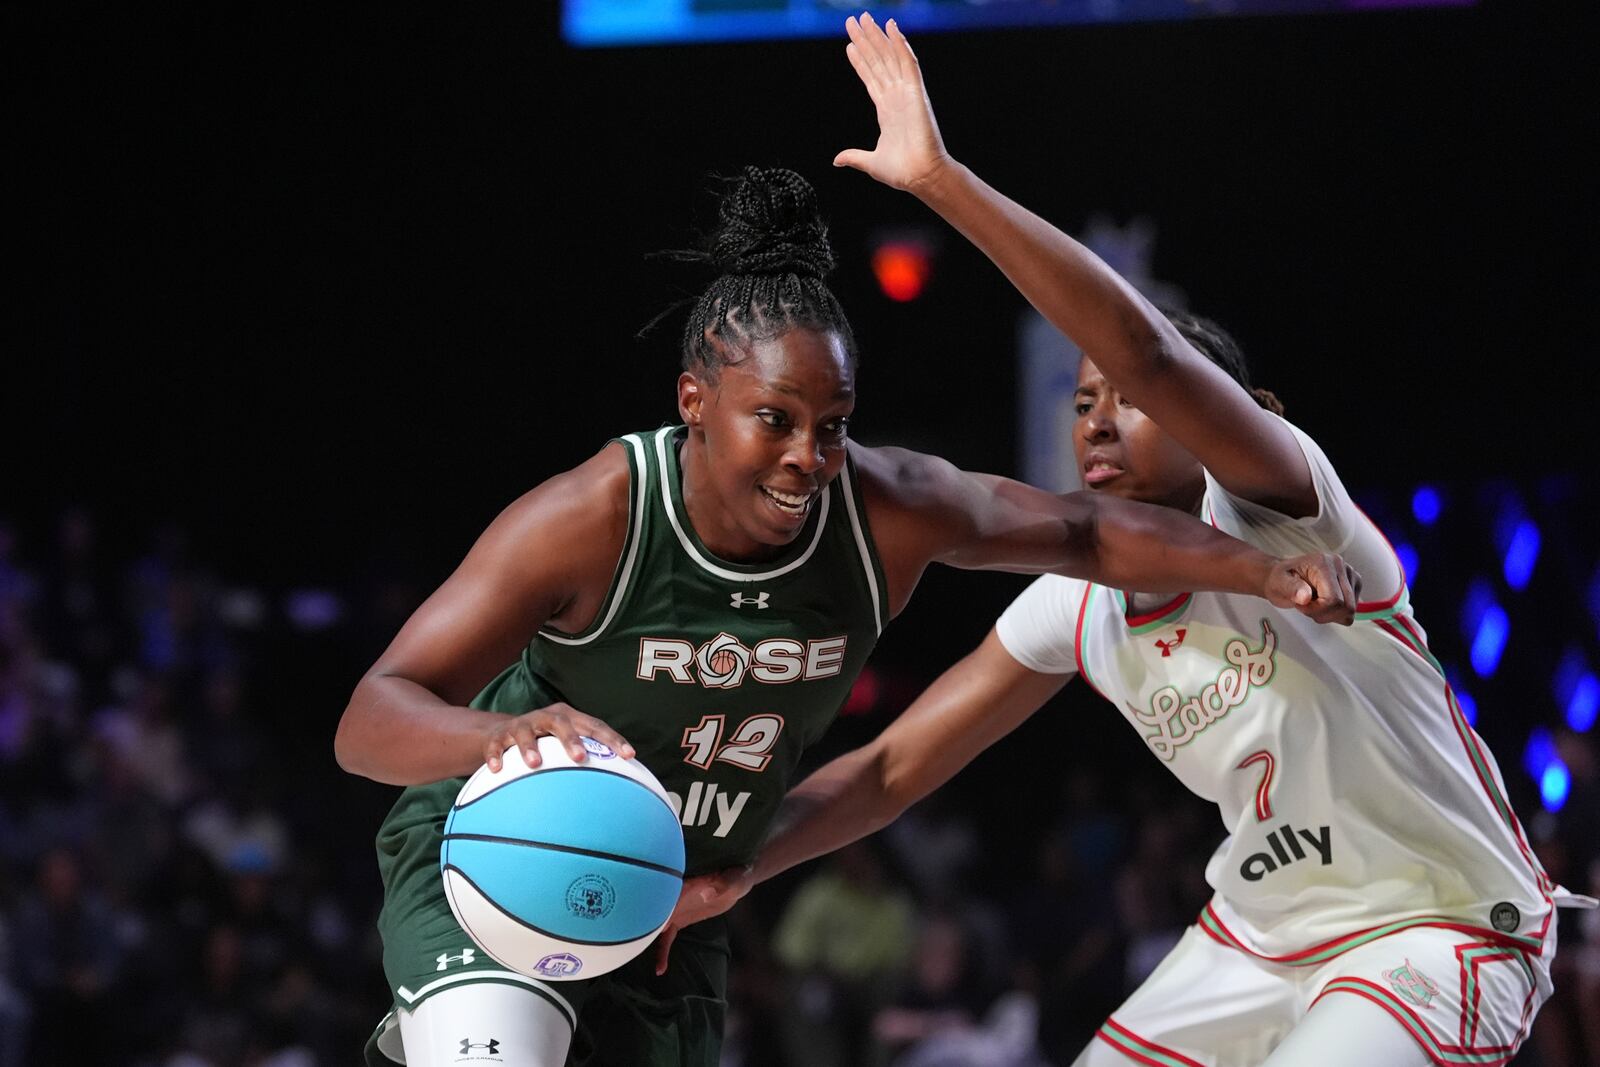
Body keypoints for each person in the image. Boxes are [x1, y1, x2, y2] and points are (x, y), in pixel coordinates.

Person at [657, 14, 1595, 1067]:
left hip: (1437, 925)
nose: (1096, 416)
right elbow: (886, 771)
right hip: (1255, 939)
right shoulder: (1079, 600)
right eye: (1080, 398)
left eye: (1127, 401)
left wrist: (941, 182)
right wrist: (732, 864)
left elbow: (1147, 350)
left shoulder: (1285, 508)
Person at [334, 152, 1361, 1065]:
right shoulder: (589, 518)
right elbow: (370, 718)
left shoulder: (886, 507)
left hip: (674, 893)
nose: (806, 458)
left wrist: (1265, 571)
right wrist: (504, 732)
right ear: (695, 400)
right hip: (503, 847)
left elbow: (1083, 533)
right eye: (773, 421)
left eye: (831, 426)